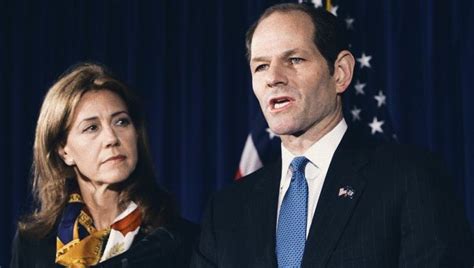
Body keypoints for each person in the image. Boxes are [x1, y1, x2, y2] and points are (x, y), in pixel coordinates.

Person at [192, 3, 473, 267]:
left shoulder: (409, 178)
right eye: (261, 66)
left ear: (340, 73)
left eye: (294, 59)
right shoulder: (226, 210)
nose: (273, 77)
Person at [11, 62, 196, 267]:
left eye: (121, 122)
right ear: (64, 151)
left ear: (136, 133)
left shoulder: (179, 240)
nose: (111, 138)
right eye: (91, 128)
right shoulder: (34, 243)